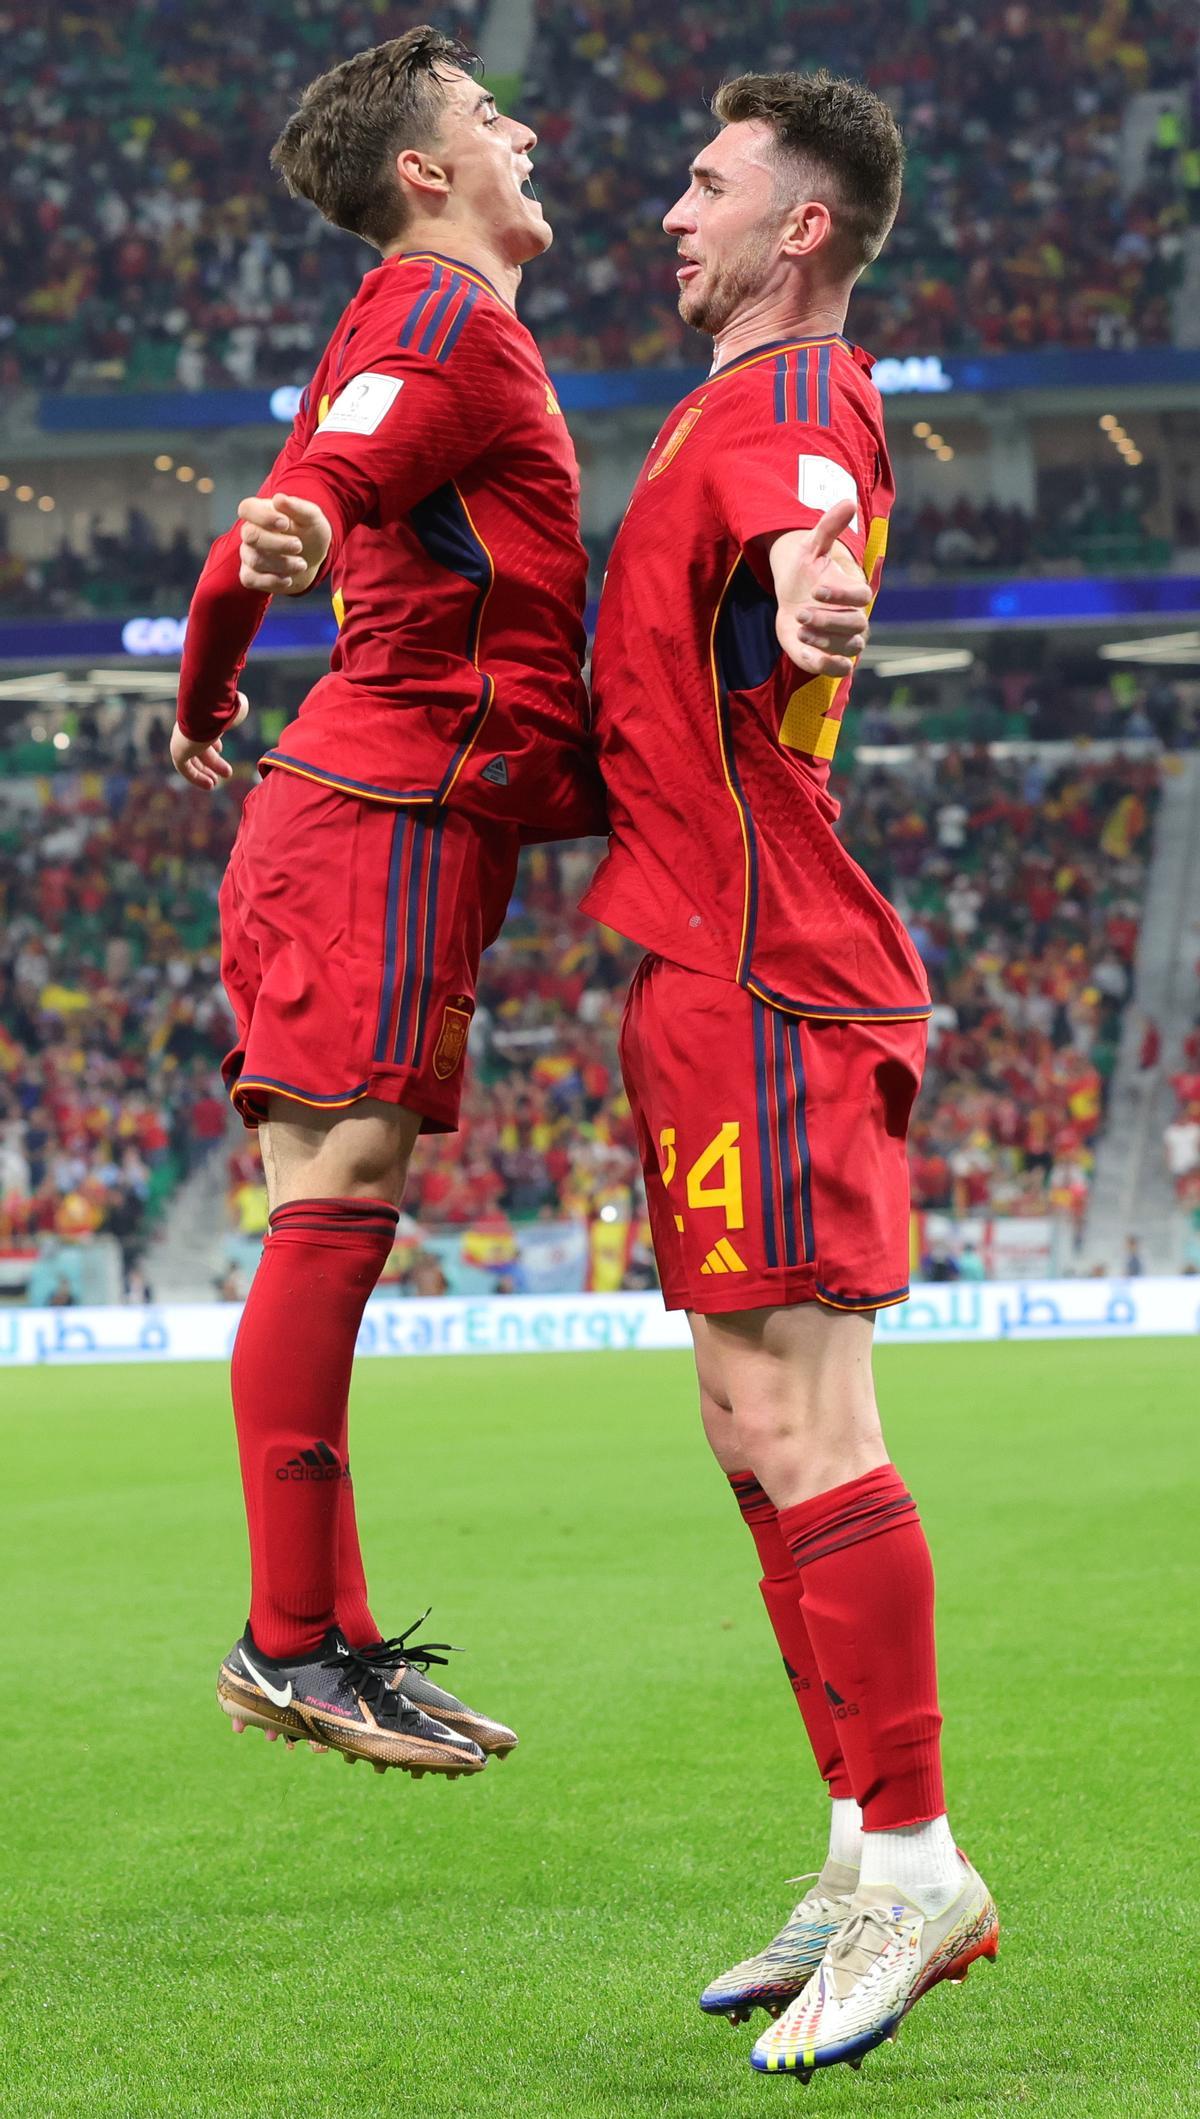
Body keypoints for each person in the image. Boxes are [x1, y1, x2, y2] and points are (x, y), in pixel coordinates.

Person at [582, 70, 997, 2081]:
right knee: (750, 1419)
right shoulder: (726, 403)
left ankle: (916, 1856)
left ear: (802, 228)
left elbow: (808, 528)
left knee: (800, 1409)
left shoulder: (788, 402)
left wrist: (823, 583)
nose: (674, 209)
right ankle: (854, 1838)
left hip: (769, 966)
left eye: (709, 181)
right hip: (710, 958)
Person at [171, 27, 603, 1778]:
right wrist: (294, 533)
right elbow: (312, 496)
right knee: (337, 1209)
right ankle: (290, 1643)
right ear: (426, 172)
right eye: (493, 116)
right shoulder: (440, 316)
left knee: (323, 1215)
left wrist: (209, 684)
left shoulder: (393, 330)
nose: (526, 132)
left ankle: (330, 1637)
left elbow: (261, 536)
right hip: (386, 811)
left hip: (364, 807)